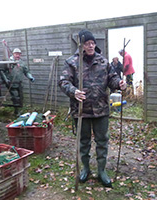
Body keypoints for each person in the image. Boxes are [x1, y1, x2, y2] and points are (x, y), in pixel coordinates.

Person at [59, 29, 126, 187]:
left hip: (101, 109)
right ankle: (86, 169)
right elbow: (64, 81)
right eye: (87, 43)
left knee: (102, 141)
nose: (90, 45)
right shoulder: (72, 62)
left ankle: (102, 171)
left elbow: (112, 78)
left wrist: (119, 84)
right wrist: (73, 91)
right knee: (84, 142)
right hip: (81, 110)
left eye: (92, 43)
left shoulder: (103, 61)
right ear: (81, 44)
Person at [0, 48, 35, 114]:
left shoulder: (22, 63)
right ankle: (16, 111)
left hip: (20, 83)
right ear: (13, 54)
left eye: (19, 54)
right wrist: (5, 79)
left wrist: (30, 77)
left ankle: (20, 110)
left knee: (21, 97)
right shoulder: (8, 62)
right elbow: (2, 71)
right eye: (16, 54)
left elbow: (26, 71)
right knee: (15, 97)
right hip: (11, 83)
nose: (17, 56)